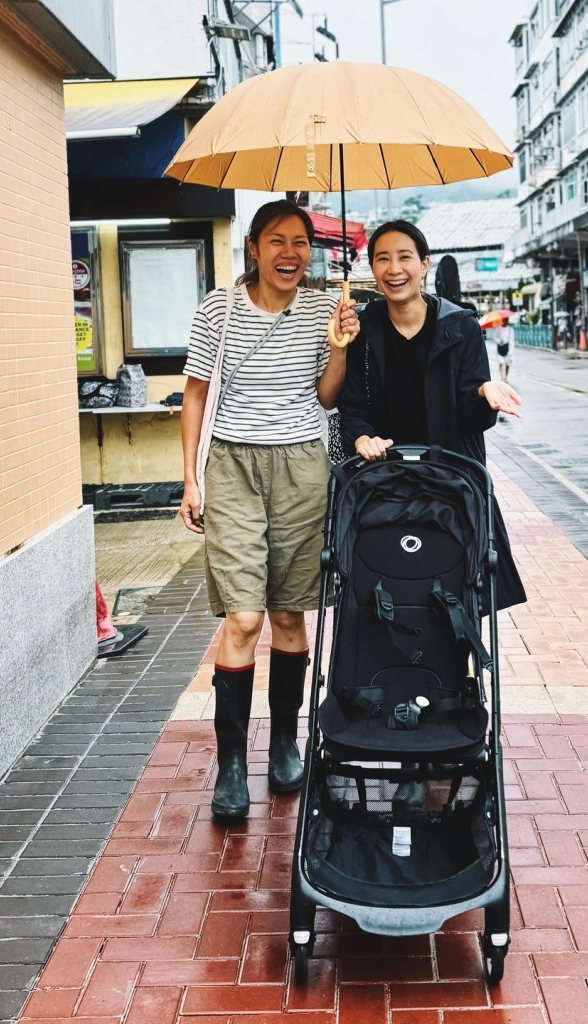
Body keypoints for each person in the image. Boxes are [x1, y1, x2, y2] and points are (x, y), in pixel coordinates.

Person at [179, 200, 358, 821]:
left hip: (303, 467)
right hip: (232, 466)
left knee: (287, 614)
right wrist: (189, 480)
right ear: (253, 247)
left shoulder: (320, 308)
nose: (290, 253)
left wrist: (338, 346)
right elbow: (195, 395)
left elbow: (327, 397)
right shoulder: (218, 309)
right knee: (244, 619)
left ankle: (286, 742)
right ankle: (231, 766)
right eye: (277, 241)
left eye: (301, 242)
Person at [337, 219, 526, 609]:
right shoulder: (362, 328)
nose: (394, 269)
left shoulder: (459, 327)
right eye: (382, 259)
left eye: (405, 257)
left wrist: (483, 393)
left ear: (424, 264)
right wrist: (360, 437)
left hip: (451, 482)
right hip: (381, 482)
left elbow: (471, 421)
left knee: (462, 589)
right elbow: (351, 405)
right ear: (372, 268)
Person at [495, 317, 514, 381]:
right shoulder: (498, 328)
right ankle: (502, 377)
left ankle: (506, 377)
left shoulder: (510, 329)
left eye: (506, 320)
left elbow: (512, 340)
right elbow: (494, 337)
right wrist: (499, 341)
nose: (505, 321)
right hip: (500, 348)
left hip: (508, 348)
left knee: (508, 363)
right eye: (504, 320)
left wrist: (511, 351)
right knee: (501, 362)